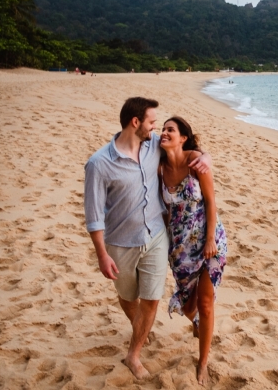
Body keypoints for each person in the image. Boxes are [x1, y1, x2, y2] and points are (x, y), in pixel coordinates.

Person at [84, 97, 211, 380]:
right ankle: (139, 326)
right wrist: (102, 254)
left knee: (151, 299)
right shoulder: (99, 164)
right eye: (152, 122)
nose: (156, 128)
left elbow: (188, 150)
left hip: (156, 236)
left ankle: (134, 354)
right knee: (128, 297)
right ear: (136, 122)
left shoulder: (155, 145)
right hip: (120, 243)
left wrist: (205, 157)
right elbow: (93, 215)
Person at [159, 116, 227, 386]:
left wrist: (210, 239)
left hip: (210, 242)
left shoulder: (196, 160)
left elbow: (211, 202)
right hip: (180, 248)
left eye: (170, 130)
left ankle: (203, 363)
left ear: (183, 137)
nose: (164, 133)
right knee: (189, 308)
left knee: (207, 304)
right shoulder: (159, 167)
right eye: (162, 129)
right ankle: (197, 322)